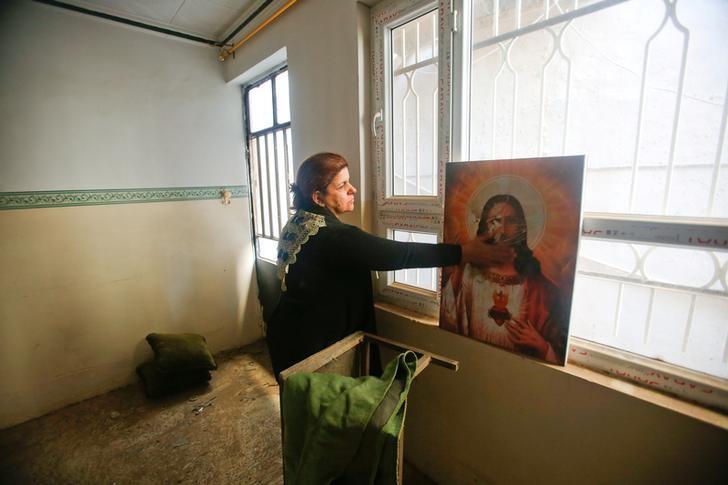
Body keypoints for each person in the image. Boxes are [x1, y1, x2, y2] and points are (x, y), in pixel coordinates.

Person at [267, 152, 513, 377]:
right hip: (314, 349)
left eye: (349, 181)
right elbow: (399, 255)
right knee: (328, 416)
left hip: (288, 335)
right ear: (317, 197)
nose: (353, 189)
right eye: (342, 185)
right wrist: (462, 252)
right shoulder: (333, 235)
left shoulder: (298, 222)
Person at [440, 194, 567, 364]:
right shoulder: (466, 275)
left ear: (522, 227)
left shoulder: (541, 289)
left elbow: (557, 347)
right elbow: (448, 319)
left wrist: (543, 347)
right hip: (471, 361)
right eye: (495, 221)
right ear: (485, 227)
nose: (503, 229)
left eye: (511, 221)